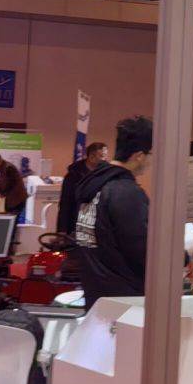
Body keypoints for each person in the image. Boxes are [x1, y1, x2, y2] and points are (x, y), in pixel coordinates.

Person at [71, 118, 153, 305]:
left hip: (95, 291)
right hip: (124, 297)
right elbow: (142, 249)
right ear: (139, 156)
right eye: (152, 154)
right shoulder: (126, 192)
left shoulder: (93, 185)